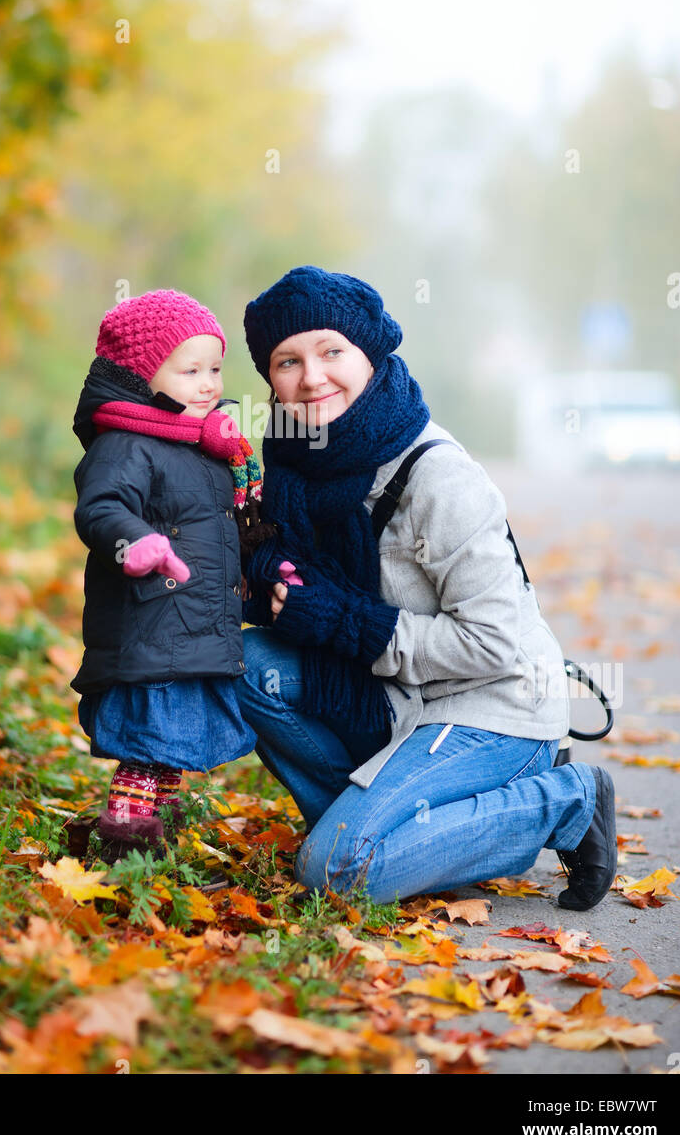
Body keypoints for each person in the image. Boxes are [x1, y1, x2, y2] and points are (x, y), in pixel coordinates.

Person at [237, 265, 617, 912]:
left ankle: (564, 800)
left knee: (336, 874)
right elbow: (303, 593)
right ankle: (398, 833)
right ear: (269, 377)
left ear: (371, 353)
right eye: (287, 360)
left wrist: (339, 620)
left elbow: (492, 642)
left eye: (332, 351)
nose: (311, 377)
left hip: (492, 705)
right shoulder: (294, 464)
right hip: (395, 698)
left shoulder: (437, 477)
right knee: (239, 666)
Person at [70, 288, 276, 858]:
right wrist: (134, 543)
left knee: (174, 741)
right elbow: (102, 508)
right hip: (152, 626)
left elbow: (228, 526)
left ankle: (155, 830)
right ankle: (125, 847)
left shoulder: (208, 447)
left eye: (215, 368)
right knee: (152, 740)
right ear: (143, 377)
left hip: (194, 627)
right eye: (190, 371)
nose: (209, 384)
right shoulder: (127, 444)